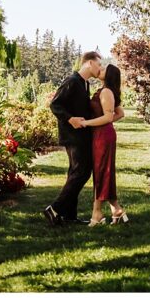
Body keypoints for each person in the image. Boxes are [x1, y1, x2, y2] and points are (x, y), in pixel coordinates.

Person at [45, 51, 103, 225]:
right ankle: (54, 209)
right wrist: (70, 119)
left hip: (80, 135)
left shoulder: (84, 84)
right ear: (89, 63)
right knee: (82, 172)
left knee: (75, 172)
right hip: (73, 136)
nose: (100, 68)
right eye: (98, 64)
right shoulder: (72, 81)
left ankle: (69, 215)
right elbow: (55, 104)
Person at [72, 63, 129, 225]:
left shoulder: (106, 92)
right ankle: (116, 209)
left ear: (109, 75)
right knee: (103, 171)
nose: (100, 69)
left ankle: (97, 213)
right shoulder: (106, 91)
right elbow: (120, 113)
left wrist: (87, 123)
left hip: (103, 136)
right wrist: (104, 123)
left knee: (101, 171)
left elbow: (109, 117)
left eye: (104, 69)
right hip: (101, 134)